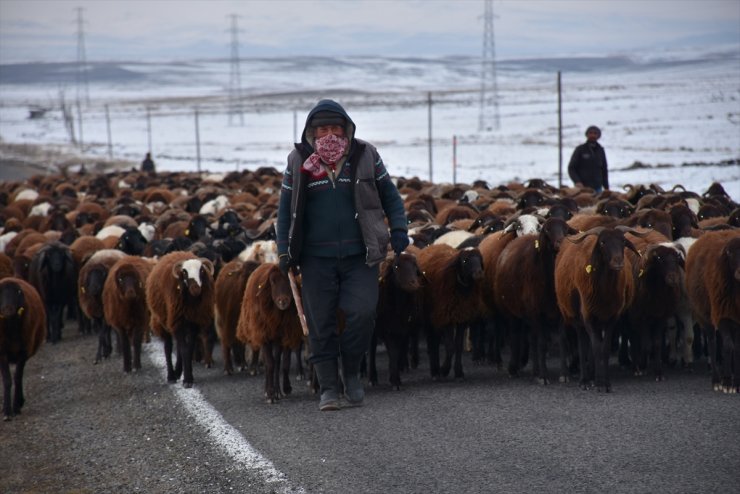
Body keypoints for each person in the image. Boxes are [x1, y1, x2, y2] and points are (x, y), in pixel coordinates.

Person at [277, 99, 409, 411]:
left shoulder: (365, 155)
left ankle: (351, 372)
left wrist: (399, 228)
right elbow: (285, 211)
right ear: (312, 131)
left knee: (362, 314)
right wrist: (284, 249)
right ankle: (329, 388)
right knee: (320, 323)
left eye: (335, 127)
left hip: (360, 254)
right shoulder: (298, 161)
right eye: (322, 128)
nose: (329, 133)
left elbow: (390, 195)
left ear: (346, 128)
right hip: (314, 257)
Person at [567, 125, 608, 193]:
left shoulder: (601, 150)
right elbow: (571, 168)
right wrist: (577, 181)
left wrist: (606, 188)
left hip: (598, 188)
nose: (593, 135)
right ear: (587, 135)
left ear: (598, 136)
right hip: (582, 188)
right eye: (590, 133)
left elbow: (604, 170)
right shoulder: (580, 149)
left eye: (595, 133)